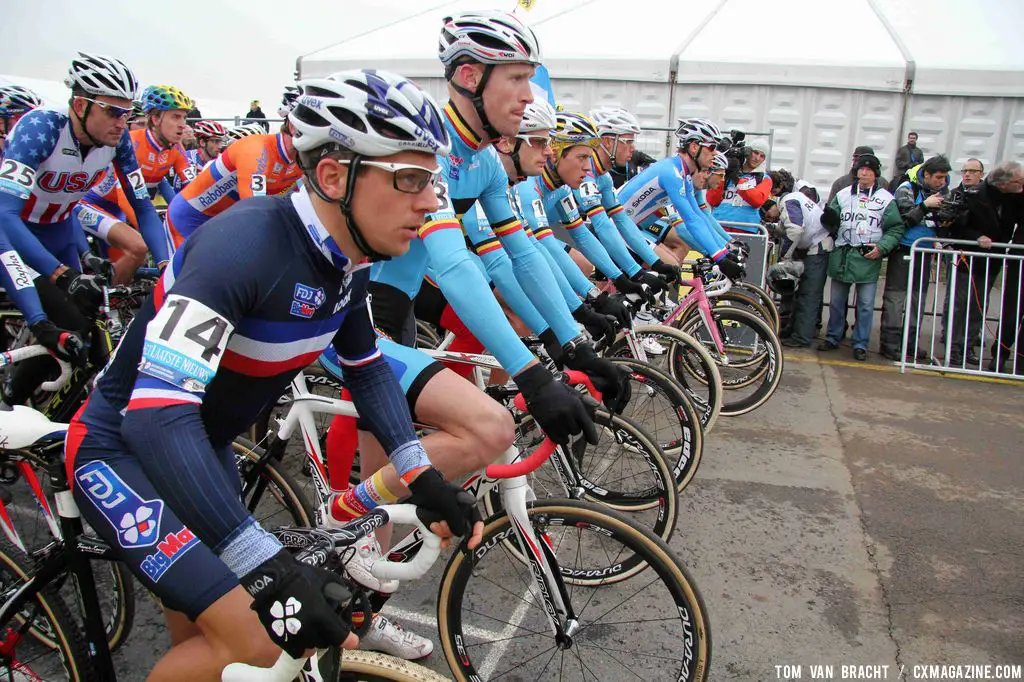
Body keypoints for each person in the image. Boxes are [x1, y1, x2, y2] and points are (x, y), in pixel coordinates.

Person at [65, 67, 483, 679]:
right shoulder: (245, 247)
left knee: (208, 646)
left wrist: (423, 477)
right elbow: (155, 419)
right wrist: (266, 563)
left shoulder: (349, 257)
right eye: (411, 178)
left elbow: (366, 371)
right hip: (121, 449)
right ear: (336, 176)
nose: (430, 200)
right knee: (253, 643)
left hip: (196, 452)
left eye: (434, 179)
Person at [0, 52, 169, 405]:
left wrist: (168, 265)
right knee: (66, 322)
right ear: (80, 104)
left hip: (59, 231)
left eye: (129, 112)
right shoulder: (41, 129)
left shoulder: (117, 141)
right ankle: (10, 409)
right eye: (113, 111)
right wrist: (61, 274)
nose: (123, 122)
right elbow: (6, 215)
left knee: (87, 332)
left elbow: (143, 205)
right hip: (15, 235)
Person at [74, 84, 195, 281]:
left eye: (184, 117)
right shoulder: (133, 142)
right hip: (92, 204)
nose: (183, 124)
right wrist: (158, 239)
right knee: (137, 246)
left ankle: (112, 302)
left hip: (118, 211)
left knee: (120, 273)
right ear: (155, 119)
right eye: (176, 117)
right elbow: (125, 200)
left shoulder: (176, 150)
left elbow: (193, 193)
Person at [617, 119, 744, 279]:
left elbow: (698, 216)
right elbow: (689, 221)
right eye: (712, 148)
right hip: (617, 229)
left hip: (628, 229)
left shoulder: (684, 176)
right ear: (694, 147)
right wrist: (719, 257)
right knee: (669, 266)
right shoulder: (671, 173)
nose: (715, 153)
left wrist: (723, 250)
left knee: (661, 278)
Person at [818, 153, 904, 361]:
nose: (863, 173)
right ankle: (833, 336)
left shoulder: (886, 199)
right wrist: (828, 218)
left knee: (865, 304)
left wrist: (882, 247)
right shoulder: (844, 194)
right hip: (843, 254)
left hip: (868, 256)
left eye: (868, 170)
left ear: (876, 174)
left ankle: (860, 343)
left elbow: (896, 228)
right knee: (837, 301)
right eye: (860, 169)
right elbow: (831, 221)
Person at [165, 116, 301, 246]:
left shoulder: (297, 161)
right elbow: (254, 210)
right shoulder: (255, 150)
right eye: (215, 141)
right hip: (189, 218)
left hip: (220, 222)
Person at [947, 160, 1024, 367]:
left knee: (979, 307)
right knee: (962, 306)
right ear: (1004, 183)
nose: (1022, 185)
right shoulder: (973, 195)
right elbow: (957, 227)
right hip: (970, 258)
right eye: (1019, 181)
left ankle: (967, 347)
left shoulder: (1013, 197)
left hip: (993, 260)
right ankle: (953, 348)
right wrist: (977, 236)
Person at [878, 155, 951, 360]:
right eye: (938, 177)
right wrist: (925, 206)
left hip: (925, 252)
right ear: (926, 174)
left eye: (944, 178)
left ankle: (910, 343)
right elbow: (903, 220)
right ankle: (889, 343)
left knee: (918, 299)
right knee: (896, 298)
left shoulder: (942, 192)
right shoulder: (906, 189)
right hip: (904, 249)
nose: (942, 182)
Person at [770, 180, 833, 348]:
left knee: (808, 294)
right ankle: (795, 330)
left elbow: (796, 230)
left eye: (770, 214)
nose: (772, 217)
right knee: (800, 293)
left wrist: (784, 258)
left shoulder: (788, 200)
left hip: (817, 248)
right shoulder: (795, 199)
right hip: (815, 246)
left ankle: (802, 337)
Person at [707, 137, 773, 231]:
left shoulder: (764, 178)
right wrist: (722, 172)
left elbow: (757, 200)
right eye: (755, 152)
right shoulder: (727, 172)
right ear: (748, 152)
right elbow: (712, 200)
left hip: (746, 228)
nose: (757, 158)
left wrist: (737, 180)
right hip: (719, 224)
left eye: (762, 156)